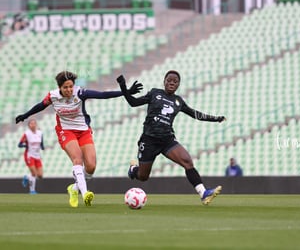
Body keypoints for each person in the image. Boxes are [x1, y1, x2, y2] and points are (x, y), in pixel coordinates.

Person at [15, 71, 142, 208]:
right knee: (77, 159)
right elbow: (40, 106)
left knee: (91, 166)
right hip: (65, 131)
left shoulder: (80, 93)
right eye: (65, 87)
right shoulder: (53, 96)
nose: (69, 90)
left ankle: (74, 189)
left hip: (83, 131)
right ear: (59, 87)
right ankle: (85, 193)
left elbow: (103, 95)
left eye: (71, 86)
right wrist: (25, 115)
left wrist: (126, 92)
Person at [117, 70, 226, 205]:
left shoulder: (178, 101)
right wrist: (123, 86)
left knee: (187, 161)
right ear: (164, 82)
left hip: (167, 140)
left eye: (175, 81)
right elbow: (133, 102)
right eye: (169, 80)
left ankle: (203, 193)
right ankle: (133, 170)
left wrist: (215, 119)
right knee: (143, 177)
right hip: (149, 140)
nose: (172, 83)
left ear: (178, 85)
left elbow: (195, 114)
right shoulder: (154, 93)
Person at [18, 118, 44, 194]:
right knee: (34, 173)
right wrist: (25, 146)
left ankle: (27, 177)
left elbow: (41, 143)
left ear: (36, 124)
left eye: (34, 123)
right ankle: (32, 190)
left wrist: (42, 147)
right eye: (31, 124)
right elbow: (19, 144)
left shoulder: (40, 133)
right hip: (29, 155)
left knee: (40, 175)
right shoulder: (27, 134)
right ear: (29, 125)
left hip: (37, 156)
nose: (33, 125)